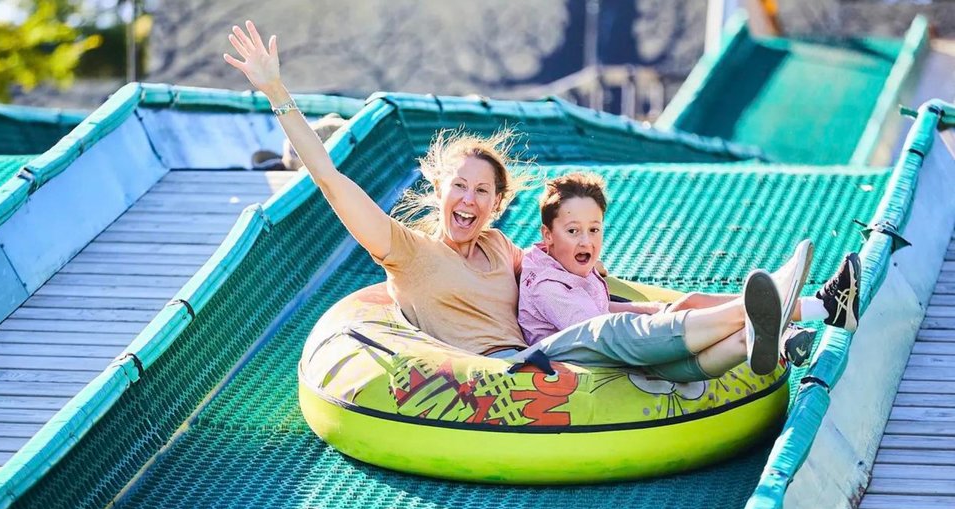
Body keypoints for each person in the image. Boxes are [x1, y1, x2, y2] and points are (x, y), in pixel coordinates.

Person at [222, 22, 859, 378]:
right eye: (459, 188)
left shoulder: (501, 247)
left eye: (482, 191)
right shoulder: (407, 253)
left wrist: (596, 265)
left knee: (658, 326)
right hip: (516, 369)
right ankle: (773, 306)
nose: (468, 200)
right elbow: (332, 179)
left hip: (555, 349)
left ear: (498, 206)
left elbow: (563, 274)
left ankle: (805, 313)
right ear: (439, 192)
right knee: (611, 329)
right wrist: (280, 93)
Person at [516, 172, 860, 379]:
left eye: (594, 229)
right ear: (548, 235)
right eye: (573, 231)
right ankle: (781, 305)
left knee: (693, 306)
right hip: (592, 364)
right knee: (630, 326)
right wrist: (657, 317)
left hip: (619, 353)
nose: (586, 240)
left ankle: (823, 308)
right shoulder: (547, 285)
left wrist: (659, 310)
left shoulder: (572, 267)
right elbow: (598, 334)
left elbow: (604, 311)